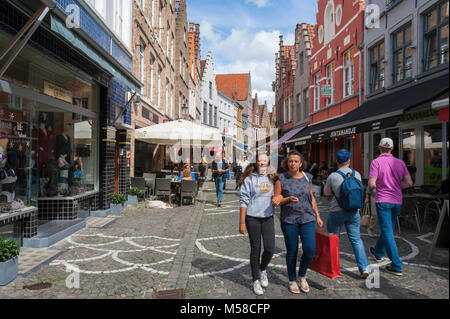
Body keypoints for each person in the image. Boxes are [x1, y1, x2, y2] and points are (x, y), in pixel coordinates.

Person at [272, 151, 323, 294]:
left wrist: (317, 215)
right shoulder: (281, 178)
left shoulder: (308, 177)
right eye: (290, 161)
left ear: (301, 163)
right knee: (292, 250)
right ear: (287, 163)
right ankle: (292, 279)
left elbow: (311, 196)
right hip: (289, 220)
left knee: (310, 249)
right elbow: (276, 200)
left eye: (296, 161)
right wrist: (287, 199)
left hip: (307, 218)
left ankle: (302, 275)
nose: (293, 163)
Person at [368, 138, 413, 276]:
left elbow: (372, 184)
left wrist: (383, 187)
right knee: (387, 228)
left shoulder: (376, 162)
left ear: (379, 148)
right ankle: (378, 252)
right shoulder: (400, 163)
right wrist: (396, 187)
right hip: (397, 201)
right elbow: (409, 183)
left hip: (383, 200)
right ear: (392, 148)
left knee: (387, 231)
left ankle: (396, 265)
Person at [323, 149, 370, 279]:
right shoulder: (357, 174)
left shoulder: (333, 176)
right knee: (356, 240)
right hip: (354, 211)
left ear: (336, 161)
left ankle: (334, 268)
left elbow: (326, 193)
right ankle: (364, 267)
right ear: (349, 160)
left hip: (336, 211)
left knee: (334, 239)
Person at [238, 153, 277, 295]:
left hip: (268, 217)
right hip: (252, 217)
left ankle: (262, 269)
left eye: (264, 161)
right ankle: (255, 280)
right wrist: (242, 221)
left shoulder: (273, 177)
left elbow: (280, 193)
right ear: (256, 163)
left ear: (268, 163)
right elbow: (244, 200)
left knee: (270, 248)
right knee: (256, 248)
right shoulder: (249, 178)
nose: (261, 163)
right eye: (259, 161)